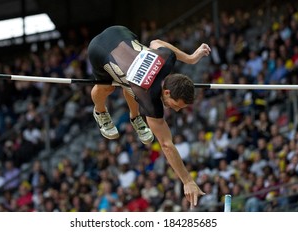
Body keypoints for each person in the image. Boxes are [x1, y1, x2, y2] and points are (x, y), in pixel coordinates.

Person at [87, 25, 210, 208]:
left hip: (121, 32)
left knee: (130, 83)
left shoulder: (167, 58)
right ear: (167, 92)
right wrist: (187, 181)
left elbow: (156, 43)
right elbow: (166, 145)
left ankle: (135, 117)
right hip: (99, 49)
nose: (175, 110)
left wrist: (191, 59)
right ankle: (100, 112)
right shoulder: (150, 99)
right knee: (108, 87)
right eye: (176, 106)